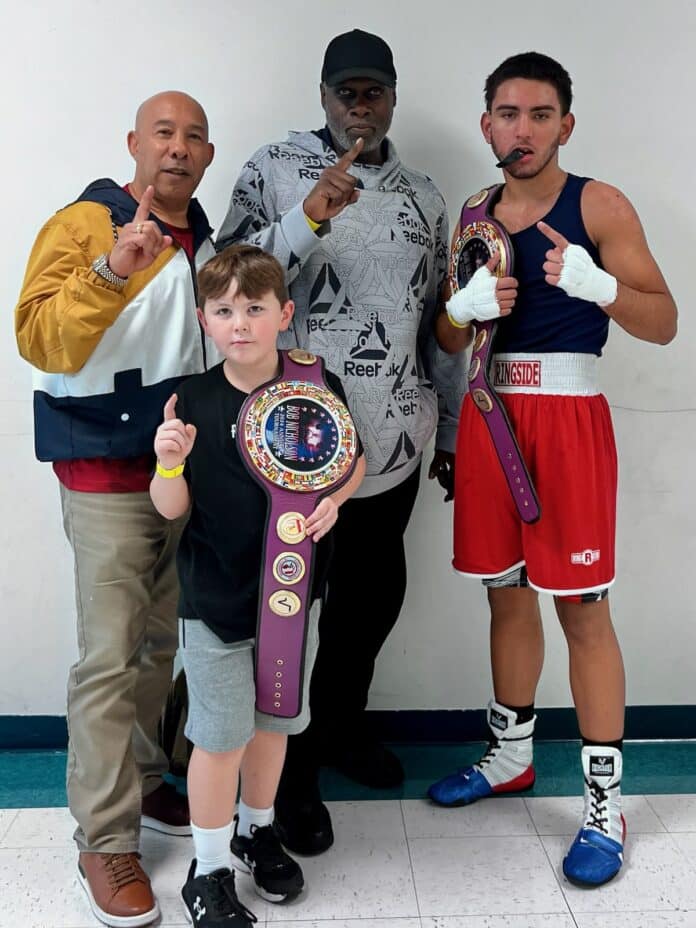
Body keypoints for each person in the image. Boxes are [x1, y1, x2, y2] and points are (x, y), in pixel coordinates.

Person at [429, 52, 677, 887]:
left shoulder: (597, 202)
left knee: (582, 609)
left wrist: (599, 285)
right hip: (491, 414)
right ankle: (510, 757)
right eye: (508, 113)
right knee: (504, 594)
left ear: (565, 125)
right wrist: (457, 314)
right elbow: (449, 341)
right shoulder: (472, 212)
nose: (523, 128)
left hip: (566, 419)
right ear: (487, 123)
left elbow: (665, 322)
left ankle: (603, 803)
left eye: (540, 114)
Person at [217, 27, 465, 855]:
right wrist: (305, 220)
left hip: (390, 447)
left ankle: (340, 732)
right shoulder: (272, 169)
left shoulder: (426, 196)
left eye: (374, 89)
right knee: (285, 610)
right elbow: (226, 284)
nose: (360, 103)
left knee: (365, 608)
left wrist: (455, 429)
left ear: (392, 95)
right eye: (345, 90)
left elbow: (443, 323)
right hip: (289, 445)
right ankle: (283, 776)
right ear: (323, 96)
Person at [14, 91, 216, 926]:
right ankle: (104, 840)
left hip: (180, 470)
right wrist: (111, 271)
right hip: (103, 475)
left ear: (208, 154)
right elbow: (40, 339)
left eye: (194, 136)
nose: (178, 149)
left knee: (158, 645)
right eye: (163, 133)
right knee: (108, 657)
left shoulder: (204, 234)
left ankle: (139, 788)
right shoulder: (83, 224)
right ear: (134, 143)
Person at [150, 244, 366, 926]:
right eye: (223, 310)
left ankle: (255, 828)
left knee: (274, 724)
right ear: (204, 320)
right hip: (215, 602)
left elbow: (349, 460)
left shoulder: (314, 383)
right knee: (219, 737)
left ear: (284, 313)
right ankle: (208, 867)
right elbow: (170, 512)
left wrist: (339, 497)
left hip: (296, 600)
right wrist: (169, 467)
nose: (239, 323)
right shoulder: (194, 399)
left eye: (254, 308)